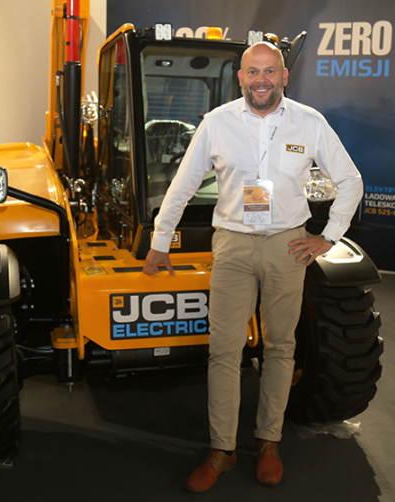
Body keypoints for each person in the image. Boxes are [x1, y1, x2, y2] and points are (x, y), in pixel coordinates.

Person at [142, 42, 362, 492]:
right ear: (240, 78)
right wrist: (160, 242)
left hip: (288, 246)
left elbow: (350, 180)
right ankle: (221, 449)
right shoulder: (216, 123)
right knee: (223, 350)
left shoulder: (310, 122)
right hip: (233, 247)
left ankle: (268, 442)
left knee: (281, 346)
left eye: (270, 71)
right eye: (253, 72)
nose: (261, 80)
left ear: (284, 77)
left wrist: (328, 236)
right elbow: (182, 186)